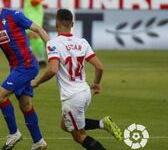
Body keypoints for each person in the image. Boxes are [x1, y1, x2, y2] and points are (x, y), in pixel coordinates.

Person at [31, 9, 123, 150]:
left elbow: (53, 69)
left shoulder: (54, 44)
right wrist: (96, 84)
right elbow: (99, 67)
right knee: (64, 125)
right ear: (72, 23)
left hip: (71, 97)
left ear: (56, 23)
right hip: (85, 92)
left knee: (79, 136)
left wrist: (36, 82)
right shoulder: (82, 42)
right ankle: (102, 124)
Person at [0, 0, 49, 150]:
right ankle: (38, 142)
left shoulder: (13, 15)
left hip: (27, 65)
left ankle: (14, 133)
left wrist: (53, 48)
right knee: (25, 104)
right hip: (16, 68)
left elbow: (37, 29)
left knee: (0, 96)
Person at [10, 0, 52, 68]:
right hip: (27, 10)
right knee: (29, 34)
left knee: (35, 33)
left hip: (36, 10)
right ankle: (37, 58)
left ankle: (42, 59)